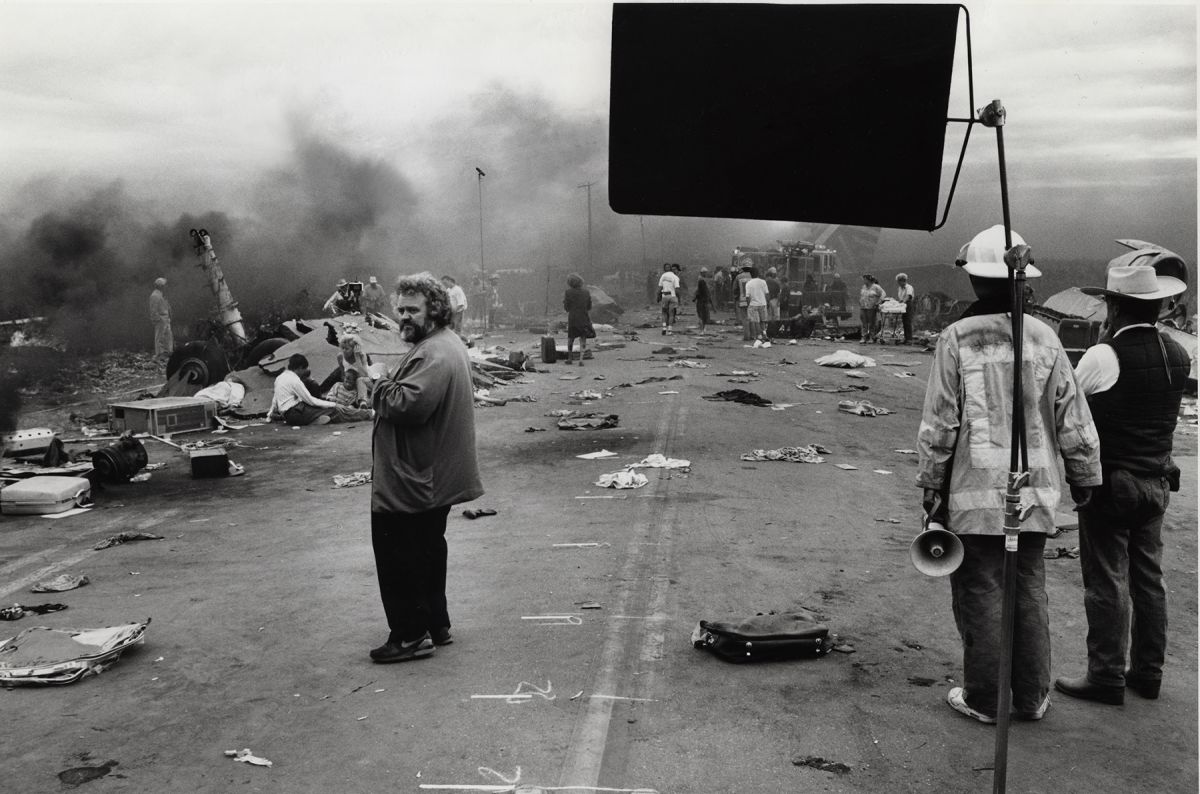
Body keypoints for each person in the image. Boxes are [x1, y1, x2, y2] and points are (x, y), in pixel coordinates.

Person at [916, 225, 1101, 725]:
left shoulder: (957, 337)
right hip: (1036, 493)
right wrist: (1085, 477)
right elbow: (1074, 417)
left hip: (974, 495)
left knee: (982, 591)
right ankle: (1031, 696)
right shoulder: (1046, 337)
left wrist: (932, 483)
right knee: (1029, 590)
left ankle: (984, 698)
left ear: (975, 280)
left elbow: (941, 421)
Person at [1054, 262, 1190, 706]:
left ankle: (1106, 675)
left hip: (1113, 483)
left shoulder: (1103, 355)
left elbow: (1069, 408)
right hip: (1156, 482)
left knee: (1107, 579)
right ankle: (1148, 673)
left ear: (1112, 305)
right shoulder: (1178, 353)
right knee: (1149, 578)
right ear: (1154, 306)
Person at [368, 272, 484, 663]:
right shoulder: (443, 344)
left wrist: (378, 383)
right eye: (400, 308)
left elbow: (408, 405)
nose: (403, 316)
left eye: (412, 309)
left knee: (400, 556)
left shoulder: (433, 352)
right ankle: (436, 624)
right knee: (428, 552)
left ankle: (409, 635)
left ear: (435, 310)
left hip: (413, 478)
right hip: (429, 473)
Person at [267, 353, 372, 425]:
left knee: (325, 410)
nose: (303, 373)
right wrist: (335, 404)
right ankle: (368, 414)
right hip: (296, 412)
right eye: (303, 370)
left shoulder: (279, 378)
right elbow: (311, 401)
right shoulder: (294, 380)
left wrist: (269, 415)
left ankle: (313, 420)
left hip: (289, 417)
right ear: (299, 368)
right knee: (334, 411)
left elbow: (274, 400)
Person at [325, 334, 374, 408]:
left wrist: (357, 357)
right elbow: (343, 373)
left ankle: (363, 402)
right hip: (350, 381)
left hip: (364, 382)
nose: (344, 350)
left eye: (347, 349)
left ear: (354, 348)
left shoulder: (362, 355)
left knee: (359, 381)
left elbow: (364, 375)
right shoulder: (340, 356)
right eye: (342, 348)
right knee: (335, 382)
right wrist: (344, 387)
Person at [563, 273, 594, 366]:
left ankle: (570, 358)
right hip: (584, 317)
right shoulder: (586, 292)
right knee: (583, 338)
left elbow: (567, 308)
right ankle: (581, 359)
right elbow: (589, 307)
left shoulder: (568, 292)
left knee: (571, 338)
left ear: (570, 283)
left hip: (573, 318)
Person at [148, 277, 173, 359]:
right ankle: (160, 354)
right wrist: (158, 319)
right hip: (161, 319)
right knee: (160, 337)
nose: (166, 287)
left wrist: (169, 316)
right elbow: (153, 310)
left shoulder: (161, 294)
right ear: (160, 286)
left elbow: (166, 306)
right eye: (164, 285)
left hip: (166, 318)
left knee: (168, 336)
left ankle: (168, 352)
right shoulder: (155, 295)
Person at [744, 266, 770, 345]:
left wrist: (748, 305)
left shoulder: (748, 283)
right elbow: (767, 294)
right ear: (758, 273)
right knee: (763, 321)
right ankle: (765, 334)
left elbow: (747, 297)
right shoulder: (763, 282)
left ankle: (759, 337)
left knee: (756, 322)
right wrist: (767, 302)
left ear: (750, 274)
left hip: (753, 305)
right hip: (763, 304)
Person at [858, 274, 885, 343]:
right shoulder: (864, 287)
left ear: (869, 280)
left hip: (871, 307)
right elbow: (862, 295)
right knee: (864, 322)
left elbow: (883, 294)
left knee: (871, 323)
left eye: (865, 279)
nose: (863, 281)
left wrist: (878, 302)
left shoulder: (876, 287)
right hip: (863, 306)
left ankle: (871, 337)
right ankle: (864, 337)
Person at [657, 262, 681, 334]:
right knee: (671, 313)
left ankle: (664, 328)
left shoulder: (663, 276)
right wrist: (678, 298)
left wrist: (658, 296)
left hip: (664, 296)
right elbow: (677, 289)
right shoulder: (675, 277)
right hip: (672, 296)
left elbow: (660, 288)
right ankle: (670, 330)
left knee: (664, 312)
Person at [895, 273, 916, 344]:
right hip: (902, 305)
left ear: (902, 281)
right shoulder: (899, 288)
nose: (898, 283)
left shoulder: (909, 287)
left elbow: (908, 296)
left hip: (908, 304)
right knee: (904, 321)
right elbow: (900, 297)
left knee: (908, 321)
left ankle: (909, 339)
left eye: (898, 282)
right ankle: (906, 338)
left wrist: (903, 301)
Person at [694, 267, 716, 332]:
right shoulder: (701, 280)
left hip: (701, 300)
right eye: (705, 273)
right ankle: (702, 329)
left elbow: (699, 291)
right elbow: (704, 291)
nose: (706, 274)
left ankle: (702, 329)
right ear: (702, 273)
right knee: (703, 315)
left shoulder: (701, 280)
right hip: (703, 300)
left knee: (702, 315)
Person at [734, 264, 753, 340]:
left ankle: (746, 336)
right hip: (752, 301)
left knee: (744, 319)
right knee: (752, 318)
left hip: (742, 301)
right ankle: (752, 335)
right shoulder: (753, 276)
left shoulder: (738, 277)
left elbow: (735, 289)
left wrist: (736, 298)